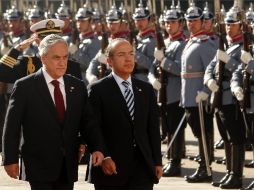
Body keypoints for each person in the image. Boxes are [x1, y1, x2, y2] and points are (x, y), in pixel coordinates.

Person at [2, 34, 104, 190]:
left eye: (65, 57)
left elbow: (87, 122)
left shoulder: (76, 86)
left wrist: (96, 147)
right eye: (56, 58)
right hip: (38, 163)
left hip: (67, 163)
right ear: (43, 59)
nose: (62, 63)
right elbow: (12, 126)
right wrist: (10, 159)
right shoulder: (25, 86)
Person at [87, 38, 163, 190]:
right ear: (109, 61)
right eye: (121, 54)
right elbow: (93, 129)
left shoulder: (145, 90)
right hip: (111, 168)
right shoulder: (98, 90)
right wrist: (105, 157)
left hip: (142, 167)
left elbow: (153, 128)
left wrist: (157, 161)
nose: (128, 59)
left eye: (131, 54)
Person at [204, 5, 246, 189]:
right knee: (226, 136)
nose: (229, 27)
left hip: (232, 98)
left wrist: (227, 61)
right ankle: (229, 172)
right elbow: (210, 67)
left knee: (236, 137)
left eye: (233, 24)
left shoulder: (244, 46)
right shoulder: (226, 46)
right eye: (227, 24)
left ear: (240, 26)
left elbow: (242, 69)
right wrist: (209, 81)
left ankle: (237, 175)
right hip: (219, 95)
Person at [149, 3, 186, 177]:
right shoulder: (166, 43)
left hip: (175, 92)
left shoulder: (182, 44)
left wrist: (163, 61)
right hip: (162, 91)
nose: (169, 25)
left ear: (180, 23)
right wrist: (152, 80)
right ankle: (171, 159)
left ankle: (175, 161)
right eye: (167, 22)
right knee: (167, 128)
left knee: (174, 128)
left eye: (173, 22)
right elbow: (152, 68)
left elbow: (180, 69)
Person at [181, 3, 216, 183]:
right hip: (189, 97)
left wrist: (205, 92)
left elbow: (213, 71)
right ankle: (204, 165)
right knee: (198, 132)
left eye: (195, 20)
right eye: (189, 20)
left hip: (200, 98)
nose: (191, 24)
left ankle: (206, 168)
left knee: (204, 133)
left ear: (203, 22)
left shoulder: (205, 43)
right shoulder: (192, 41)